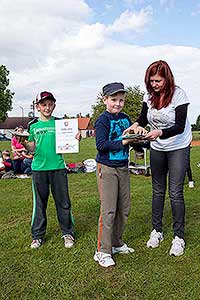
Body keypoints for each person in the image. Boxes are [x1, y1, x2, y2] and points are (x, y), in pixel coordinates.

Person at [124, 60, 192, 256]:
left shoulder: (179, 95)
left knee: (176, 192)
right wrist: (135, 125)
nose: (154, 84)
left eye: (158, 81)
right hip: (158, 146)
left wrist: (159, 132)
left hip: (178, 145)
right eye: (151, 81)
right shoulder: (149, 96)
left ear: (167, 79)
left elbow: (179, 125)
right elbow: (144, 118)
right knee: (158, 190)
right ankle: (157, 231)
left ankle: (178, 237)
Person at [20, 91, 80, 249]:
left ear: (54, 105)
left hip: (58, 167)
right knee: (40, 203)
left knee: (63, 202)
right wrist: (25, 143)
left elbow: (69, 141)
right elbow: (32, 147)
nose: (47, 107)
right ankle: (37, 236)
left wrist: (76, 137)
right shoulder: (33, 125)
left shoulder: (60, 123)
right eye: (44, 104)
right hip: (39, 168)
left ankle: (67, 233)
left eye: (50, 104)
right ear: (38, 106)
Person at [93, 82, 135, 268]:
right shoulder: (102, 120)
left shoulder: (126, 118)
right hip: (107, 168)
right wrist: (124, 141)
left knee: (123, 208)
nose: (117, 103)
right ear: (105, 100)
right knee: (108, 210)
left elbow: (132, 141)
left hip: (123, 167)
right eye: (113, 99)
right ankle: (102, 251)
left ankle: (116, 243)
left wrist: (142, 138)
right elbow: (101, 145)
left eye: (121, 100)